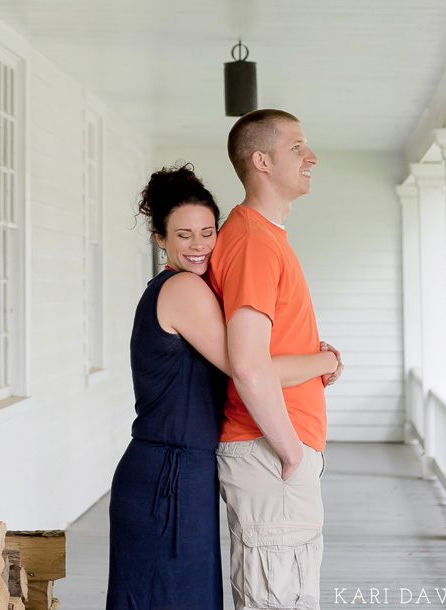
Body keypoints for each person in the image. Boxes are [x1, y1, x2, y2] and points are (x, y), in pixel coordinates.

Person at [106, 164, 339, 610]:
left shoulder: (195, 289)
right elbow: (248, 367)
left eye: (208, 232)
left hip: (184, 469)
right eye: (183, 235)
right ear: (160, 239)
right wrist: (324, 360)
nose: (199, 246)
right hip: (164, 476)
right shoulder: (182, 291)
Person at [208, 110, 344, 610]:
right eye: (297, 147)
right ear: (260, 160)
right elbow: (246, 363)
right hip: (270, 449)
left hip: (278, 449)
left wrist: (318, 360)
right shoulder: (252, 243)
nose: (311, 157)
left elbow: (261, 355)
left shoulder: (265, 237)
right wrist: (289, 451)